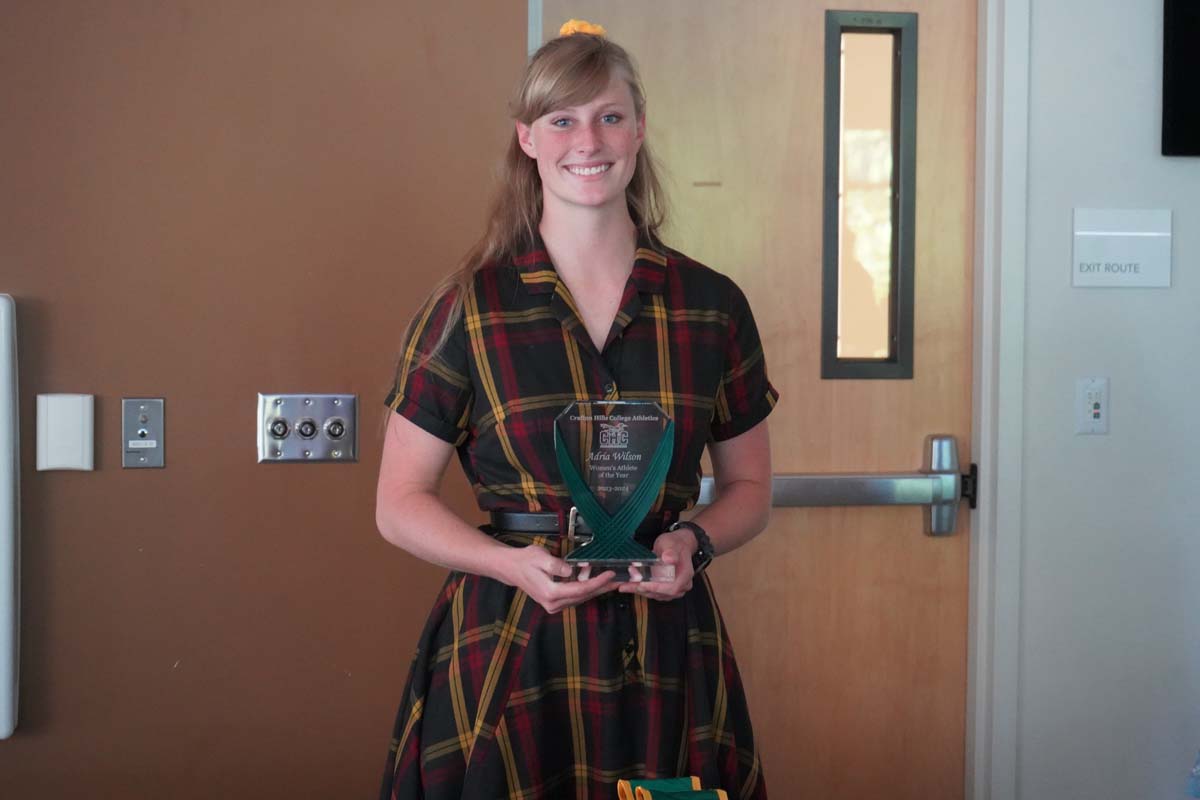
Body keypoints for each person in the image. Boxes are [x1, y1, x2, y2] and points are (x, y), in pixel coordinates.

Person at [376, 20, 777, 800]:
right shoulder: (468, 310)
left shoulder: (712, 306)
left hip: (665, 645)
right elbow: (398, 504)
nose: (587, 140)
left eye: (609, 116)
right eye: (562, 119)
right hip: (511, 642)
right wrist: (506, 563)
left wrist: (692, 543)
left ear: (639, 129)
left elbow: (750, 491)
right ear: (527, 138)